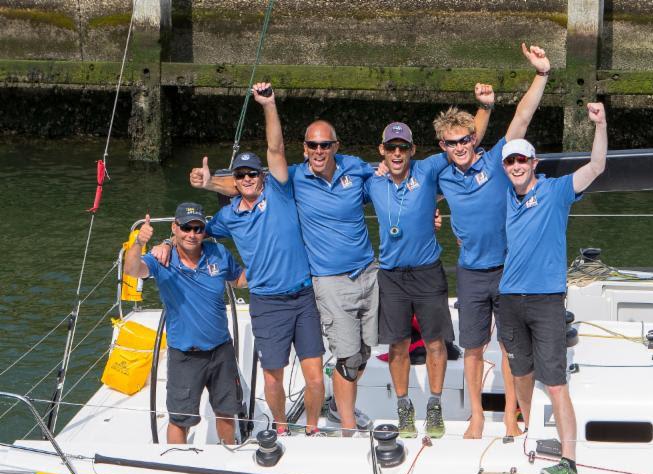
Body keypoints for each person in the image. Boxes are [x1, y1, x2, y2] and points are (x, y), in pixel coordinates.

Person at [193, 85, 490, 437]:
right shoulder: (294, 180)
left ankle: (341, 403)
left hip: (369, 273)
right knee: (351, 358)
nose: (319, 151)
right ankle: (348, 428)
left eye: (326, 145)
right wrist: (214, 182)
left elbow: (446, 158)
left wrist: (427, 213)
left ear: (336, 146)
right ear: (305, 149)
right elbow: (253, 179)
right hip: (330, 282)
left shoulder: (361, 171)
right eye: (313, 145)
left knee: (365, 352)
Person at [185, 83, 327, 436]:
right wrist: (165, 245)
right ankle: (280, 428)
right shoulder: (229, 216)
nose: (247, 179)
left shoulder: (279, 191)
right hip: (266, 302)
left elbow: (276, 147)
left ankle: (311, 428)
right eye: (241, 175)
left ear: (262, 176)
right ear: (234, 180)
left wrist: (269, 105)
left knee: (314, 372)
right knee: (272, 376)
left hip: (303, 296)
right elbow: (196, 233)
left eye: (252, 173)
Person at [434, 43, 551, 439]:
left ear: (474, 139)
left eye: (465, 139)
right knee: (473, 349)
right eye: (452, 143)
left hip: (508, 270)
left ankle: (513, 416)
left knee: (510, 349)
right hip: (470, 272)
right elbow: (403, 186)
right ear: (443, 148)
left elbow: (522, 116)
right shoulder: (442, 176)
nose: (460, 147)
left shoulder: (498, 161)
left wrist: (541, 75)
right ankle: (477, 417)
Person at [498, 102, 607, 474]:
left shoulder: (557, 191)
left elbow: (596, 168)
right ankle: (530, 429)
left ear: (534, 162)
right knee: (521, 373)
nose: (516, 166)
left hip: (545, 300)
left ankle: (569, 461)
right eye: (510, 161)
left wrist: (600, 125)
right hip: (509, 299)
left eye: (522, 160)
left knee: (555, 381)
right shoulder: (505, 195)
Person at [124, 204, 247, 444]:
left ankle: (228, 455)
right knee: (180, 420)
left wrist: (267, 264)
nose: (191, 234)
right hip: (185, 355)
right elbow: (131, 269)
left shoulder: (218, 253)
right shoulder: (161, 259)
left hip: (222, 350)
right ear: (174, 228)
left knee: (226, 410)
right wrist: (139, 242)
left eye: (198, 228)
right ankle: (177, 468)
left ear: (204, 230)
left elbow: (239, 279)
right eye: (185, 228)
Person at [365, 122, 454, 439]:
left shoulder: (428, 169)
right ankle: (404, 408)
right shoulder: (371, 181)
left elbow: (466, 144)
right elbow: (332, 180)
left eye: (403, 147)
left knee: (435, 343)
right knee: (398, 345)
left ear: (413, 150)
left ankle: (434, 404)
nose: (397, 153)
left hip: (428, 271)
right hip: (391, 277)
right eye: (392, 148)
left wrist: (484, 107)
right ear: (383, 151)